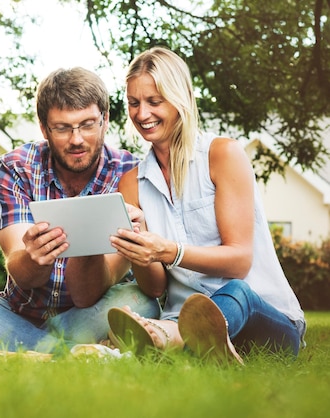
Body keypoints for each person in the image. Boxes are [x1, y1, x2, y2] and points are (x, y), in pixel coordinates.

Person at [0, 67, 160, 352]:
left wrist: (88, 245)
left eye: (87, 124)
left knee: (143, 302)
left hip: (90, 313)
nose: (76, 139)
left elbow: (95, 291)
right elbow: (20, 271)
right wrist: (35, 257)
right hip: (16, 313)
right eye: (62, 128)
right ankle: (67, 352)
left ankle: (29, 350)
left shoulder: (130, 172)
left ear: (105, 120)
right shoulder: (15, 167)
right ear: (43, 128)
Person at [107, 47, 306, 363]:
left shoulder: (222, 155)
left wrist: (168, 250)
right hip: (181, 315)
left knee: (237, 292)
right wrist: (140, 248)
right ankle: (194, 347)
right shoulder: (131, 183)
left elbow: (238, 260)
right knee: (192, 312)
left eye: (154, 102)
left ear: (180, 97)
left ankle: (167, 340)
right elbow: (155, 288)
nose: (142, 114)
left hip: (263, 319)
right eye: (134, 103)